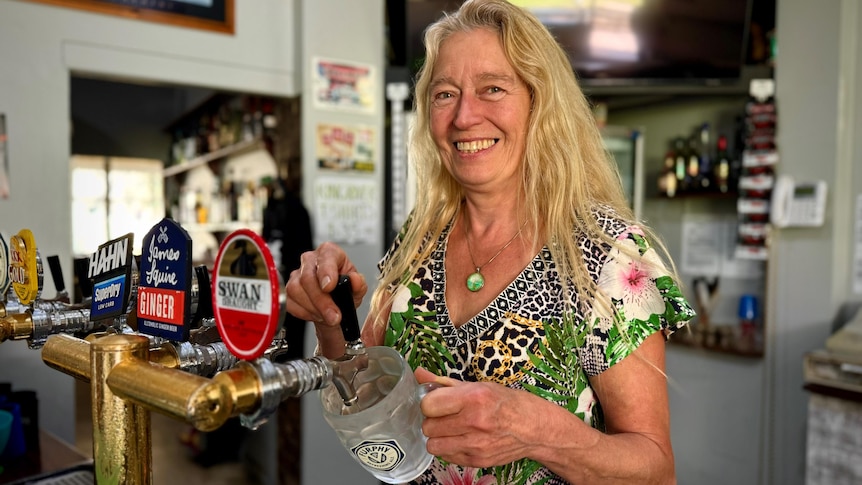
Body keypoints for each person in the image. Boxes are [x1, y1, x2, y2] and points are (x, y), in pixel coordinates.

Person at [285, 0, 695, 483]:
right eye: (444, 94)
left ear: (538, 104)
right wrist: (333, 317)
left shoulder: (605, 254)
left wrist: (537, 430)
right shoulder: (421, 235)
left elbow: (656, 470)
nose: (463, 117)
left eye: (492, 89)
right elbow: (360, 388)